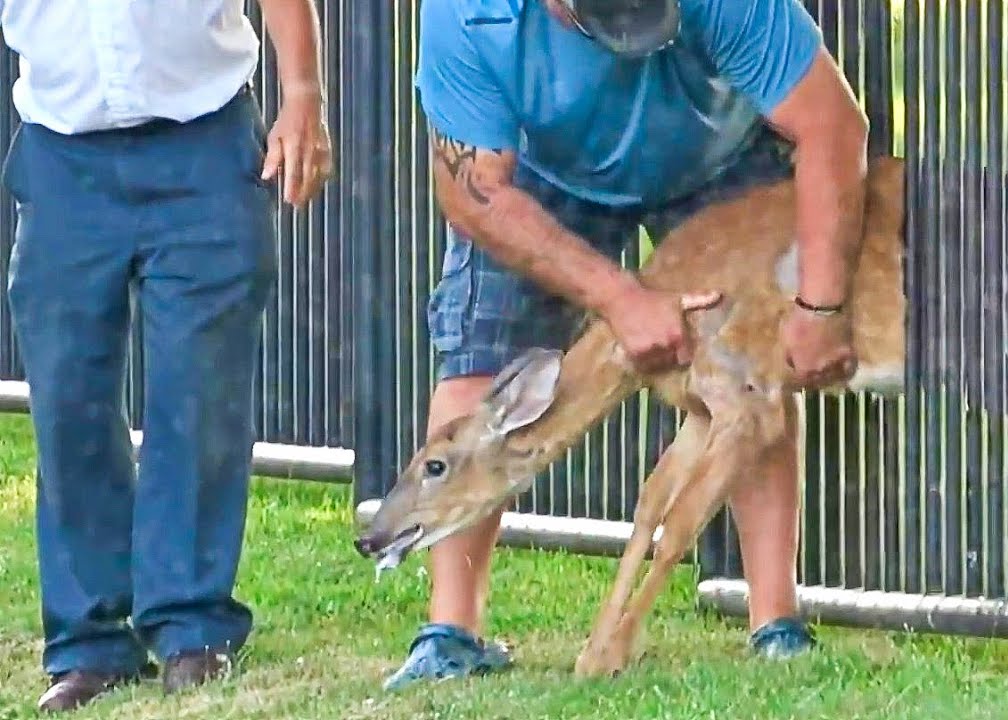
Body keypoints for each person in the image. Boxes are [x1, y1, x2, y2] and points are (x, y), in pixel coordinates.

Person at [386, 0, 871, 688]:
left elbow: (831, 124)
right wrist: (620, 299)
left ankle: (776, 623)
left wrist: (820, 306)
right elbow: (473, 195)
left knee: (752, 370)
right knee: (480, 365)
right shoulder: (467, 12)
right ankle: (451, 632)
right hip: (542, 177)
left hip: (714, 156)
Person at [0, 1, 332, 712]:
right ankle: (89, 645)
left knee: (200, 393)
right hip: (62, 152)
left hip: (203, 144)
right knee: (68, 402)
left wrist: (303, 94)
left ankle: (191, 628)